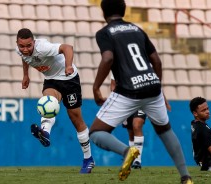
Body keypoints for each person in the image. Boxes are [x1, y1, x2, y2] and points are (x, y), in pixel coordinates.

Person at [89, 0, 193, 183]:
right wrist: (158, 88)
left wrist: (96, 87)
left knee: (96, 133)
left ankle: (127, 151)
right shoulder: (137, 29)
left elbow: (107, 59)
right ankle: (186, 177)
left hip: (129, 90)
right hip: (153, 86)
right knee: (165, 130)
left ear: (103, 12)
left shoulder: (104, 33)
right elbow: (157, 62)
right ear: (124, 10)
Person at [16, 28, 95, 173]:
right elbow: (25, 57)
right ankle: (45, 133)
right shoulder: (20, 50)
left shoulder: (43, 48)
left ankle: (88, 159)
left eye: (28, 46)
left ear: (34, 42)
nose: (25, 49)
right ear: (17, 44)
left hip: (69, 79)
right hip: (51, 80)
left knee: (76, 119)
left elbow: (67, 47)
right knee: (48, 101)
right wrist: (25, 75)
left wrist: (69, 66)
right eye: (22, 46)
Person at [111, 77, 146, 169]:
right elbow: (113, 85)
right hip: (125, 102)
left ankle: (137, 160)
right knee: (130, 131)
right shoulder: (116, 66)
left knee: (137, 125)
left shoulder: (143, 64)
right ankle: (132, 158)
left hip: (141, 100)